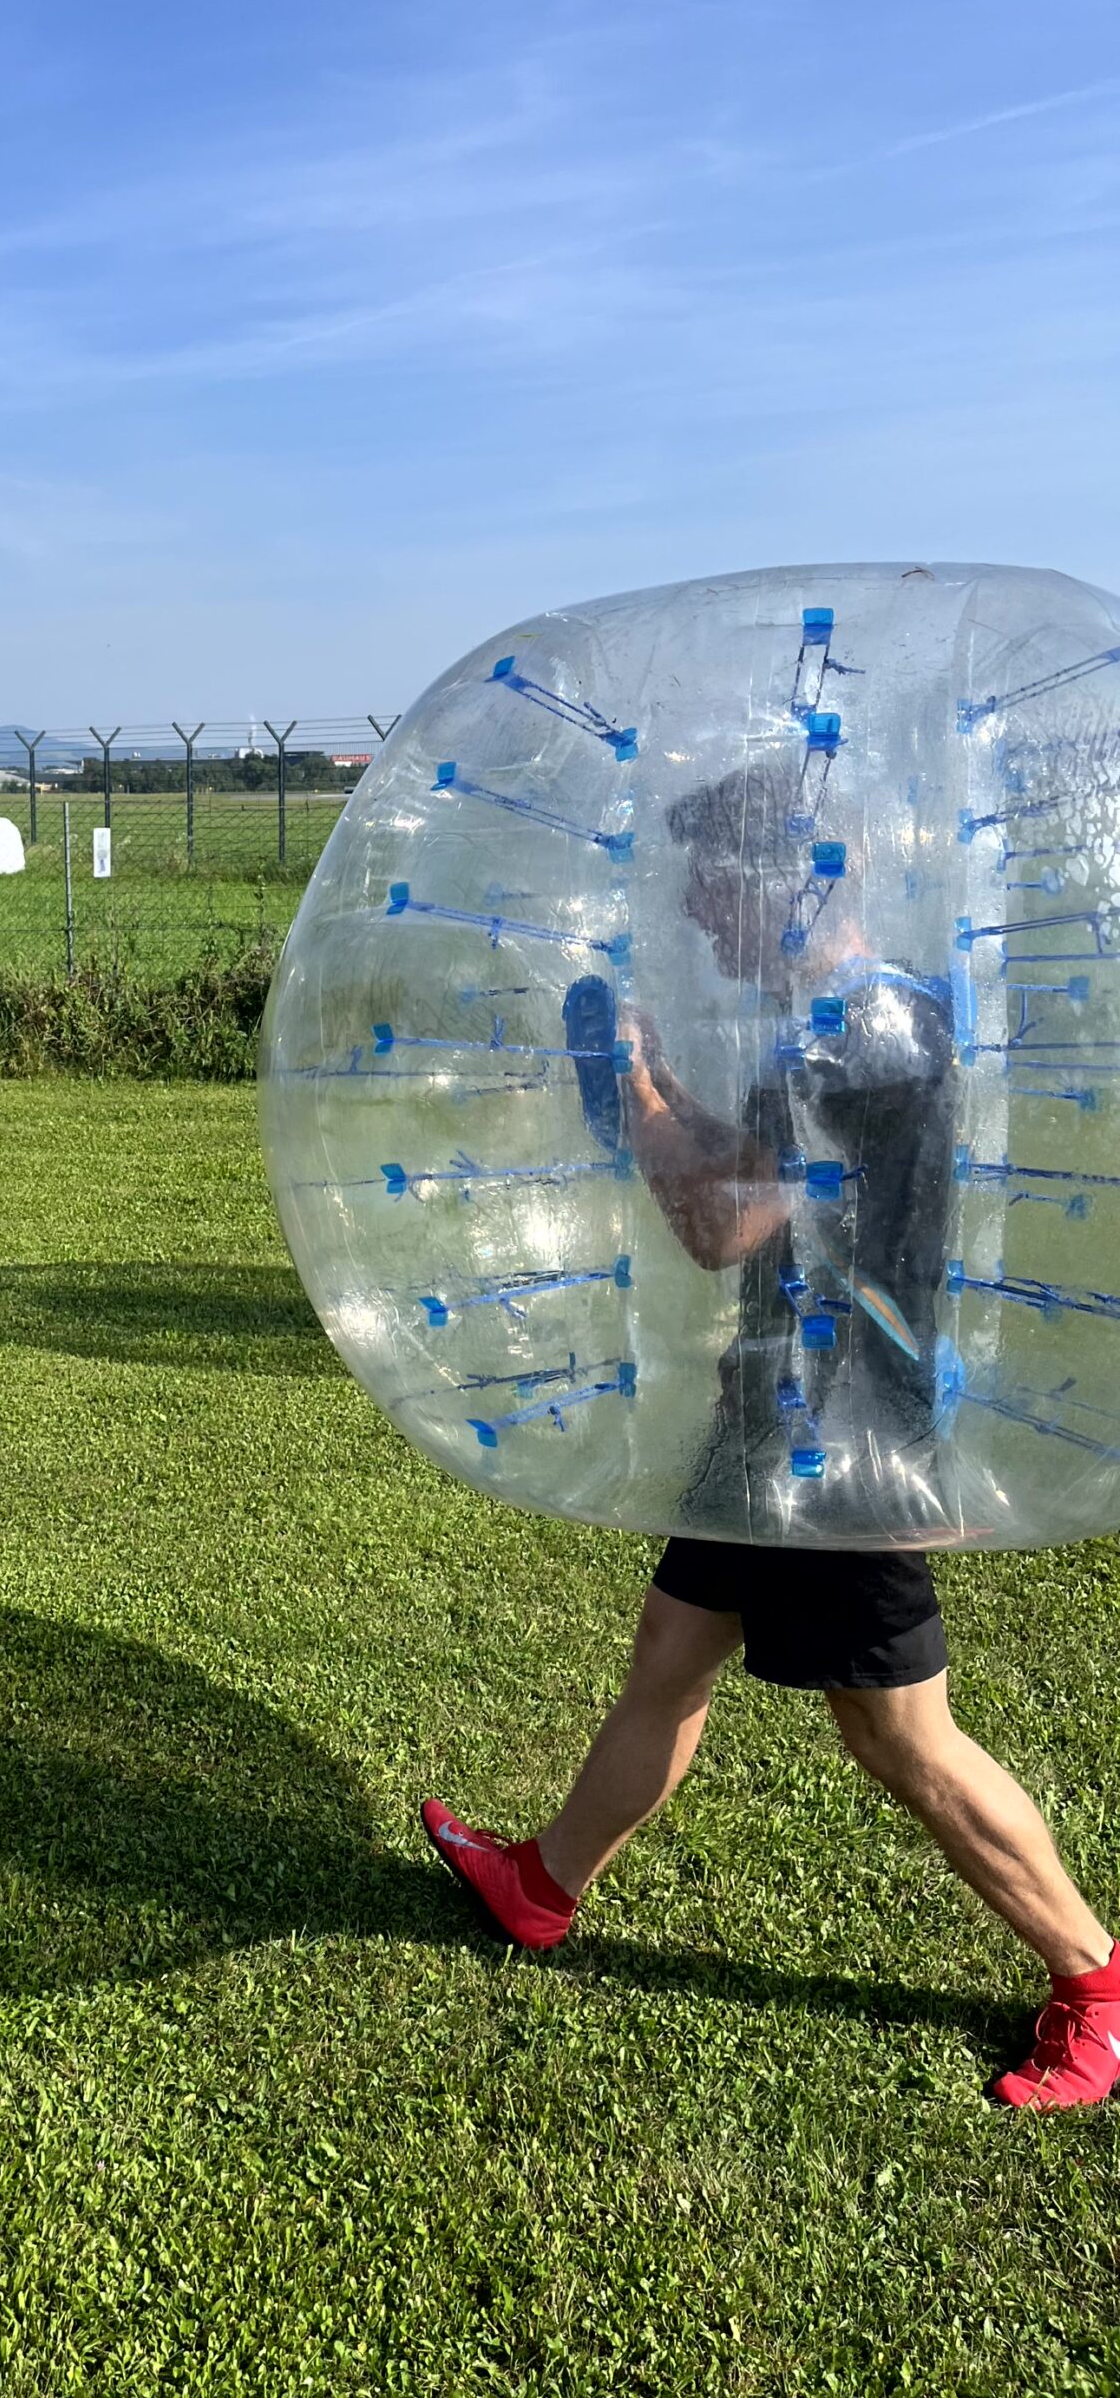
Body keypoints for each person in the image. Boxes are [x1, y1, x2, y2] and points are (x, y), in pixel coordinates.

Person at [423, 759, 1120, 2111]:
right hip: (776, 1411)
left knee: (900, 1739)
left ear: (795, 882)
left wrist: (627, 1093)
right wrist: (660, 1088)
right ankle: (544, 1887)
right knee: (669, 1655)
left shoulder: (842, 1040)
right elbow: (762, 1183)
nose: (693, 916)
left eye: (713, 889)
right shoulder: (863, 1014)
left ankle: (1095, 1978)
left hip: (834, 1443)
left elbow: (717, 1225)